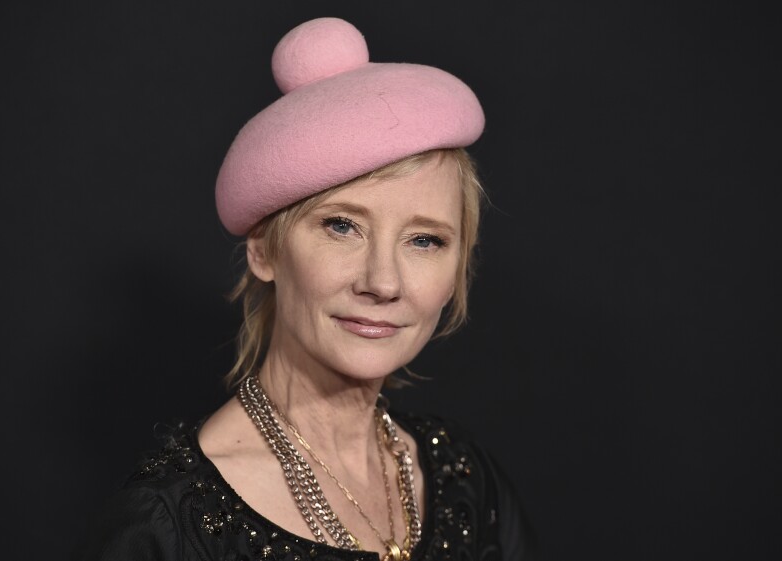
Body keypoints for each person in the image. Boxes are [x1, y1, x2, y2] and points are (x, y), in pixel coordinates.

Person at [73, 17, 536, 561]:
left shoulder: (468, 483)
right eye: (342, 226)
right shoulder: (168, 528)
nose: (383, 282)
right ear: (264, 250)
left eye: (425, 240)